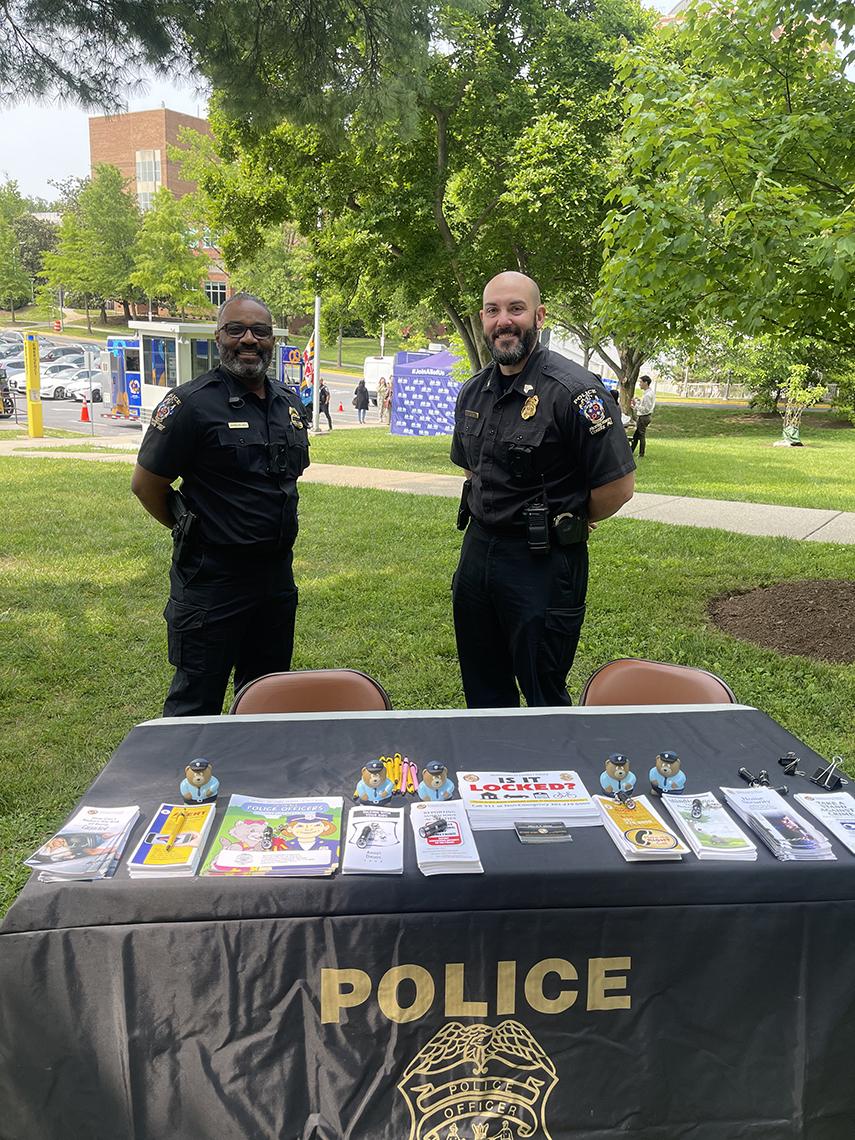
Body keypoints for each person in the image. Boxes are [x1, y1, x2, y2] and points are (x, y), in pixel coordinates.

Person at [450, 271, 635, 708]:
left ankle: (548, 773)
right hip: (479, 553)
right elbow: (469, 468)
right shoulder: (473, 392)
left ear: (539, 315)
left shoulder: (574, 391)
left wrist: (572, 517)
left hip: (543, 563)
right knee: (482, 685)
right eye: (493, 311)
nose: (504, 321)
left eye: (516, 308)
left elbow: (618, 486)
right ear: (482, 319)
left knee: (542, 689)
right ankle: (492, 772)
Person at [130, 292, 311, 717]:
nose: (249, 340)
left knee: (267, 696)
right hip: (212, 581)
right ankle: (192, 783)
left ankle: (254, 780)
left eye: (260, 331)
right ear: (219, 337)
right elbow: (146, 485)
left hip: (275, 578)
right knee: (196, 702)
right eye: (237, 329)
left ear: (272, 340)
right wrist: (188, 526)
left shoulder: (289, 404)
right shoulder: (190, 404)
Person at [630, 374, 656, 456]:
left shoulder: (648, 395)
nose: (639, 384)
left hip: (644, 417)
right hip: (644, 416)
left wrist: (635, 406)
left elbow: (646, 409)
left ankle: (641, 454)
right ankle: (630, 451)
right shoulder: (648, 393)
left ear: (646, 383)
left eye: (641, 382)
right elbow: (644, 406)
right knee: (636, 436)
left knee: (641, 436)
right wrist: (637, 402)